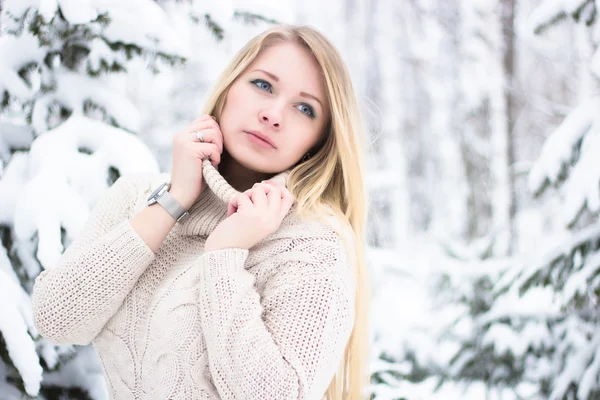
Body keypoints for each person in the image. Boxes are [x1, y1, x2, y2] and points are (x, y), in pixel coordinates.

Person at [32, 24, 371, 400]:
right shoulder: (137, 196)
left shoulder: (314, 247)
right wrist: (173, 202)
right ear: (228, 88)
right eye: (262, 85)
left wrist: (225, 255)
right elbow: (57, 318)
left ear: (319, 140)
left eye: (305, 108)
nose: (274, 114)